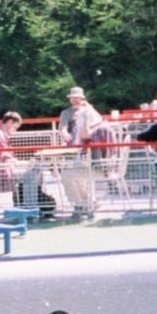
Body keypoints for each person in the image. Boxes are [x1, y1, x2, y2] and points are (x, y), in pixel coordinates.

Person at [57, 87, 106, 217]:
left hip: (87, 149)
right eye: (73, 97)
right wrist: (65, 135)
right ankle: (86, 203)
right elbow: (63, 128)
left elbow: (99, 121)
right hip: (73, 148)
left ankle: (84, 204)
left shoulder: (88, 111)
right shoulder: (66, 113)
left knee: (80, 178)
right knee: (76, 177)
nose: (75, 99)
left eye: (77, 97)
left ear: (82, 98)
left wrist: (89, 107)